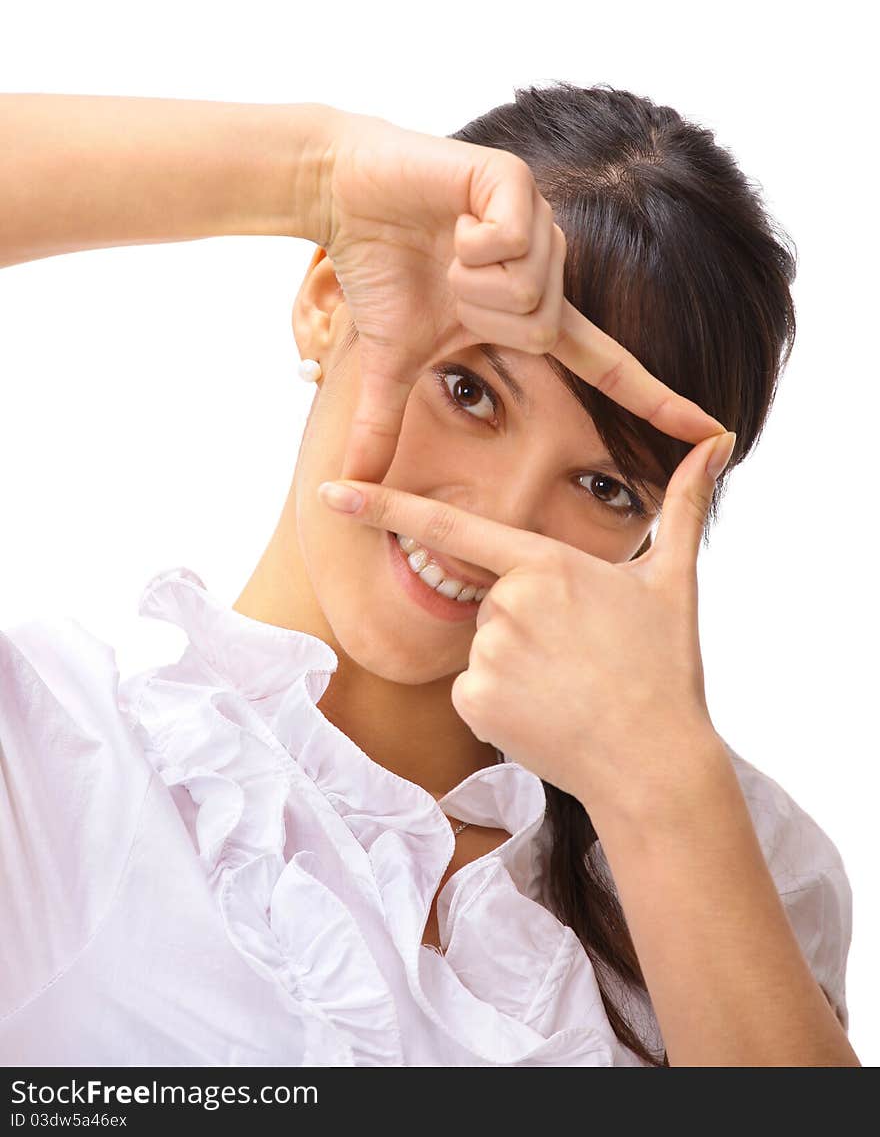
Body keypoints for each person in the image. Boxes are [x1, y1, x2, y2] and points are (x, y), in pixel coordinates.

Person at [0, 84, 858, 1067]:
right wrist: (308, 173)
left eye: (603, 485)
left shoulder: (738, 853)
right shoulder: (57, 762)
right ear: (330, 302)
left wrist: (665, 796)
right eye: (470, 391)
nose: (493, 523)